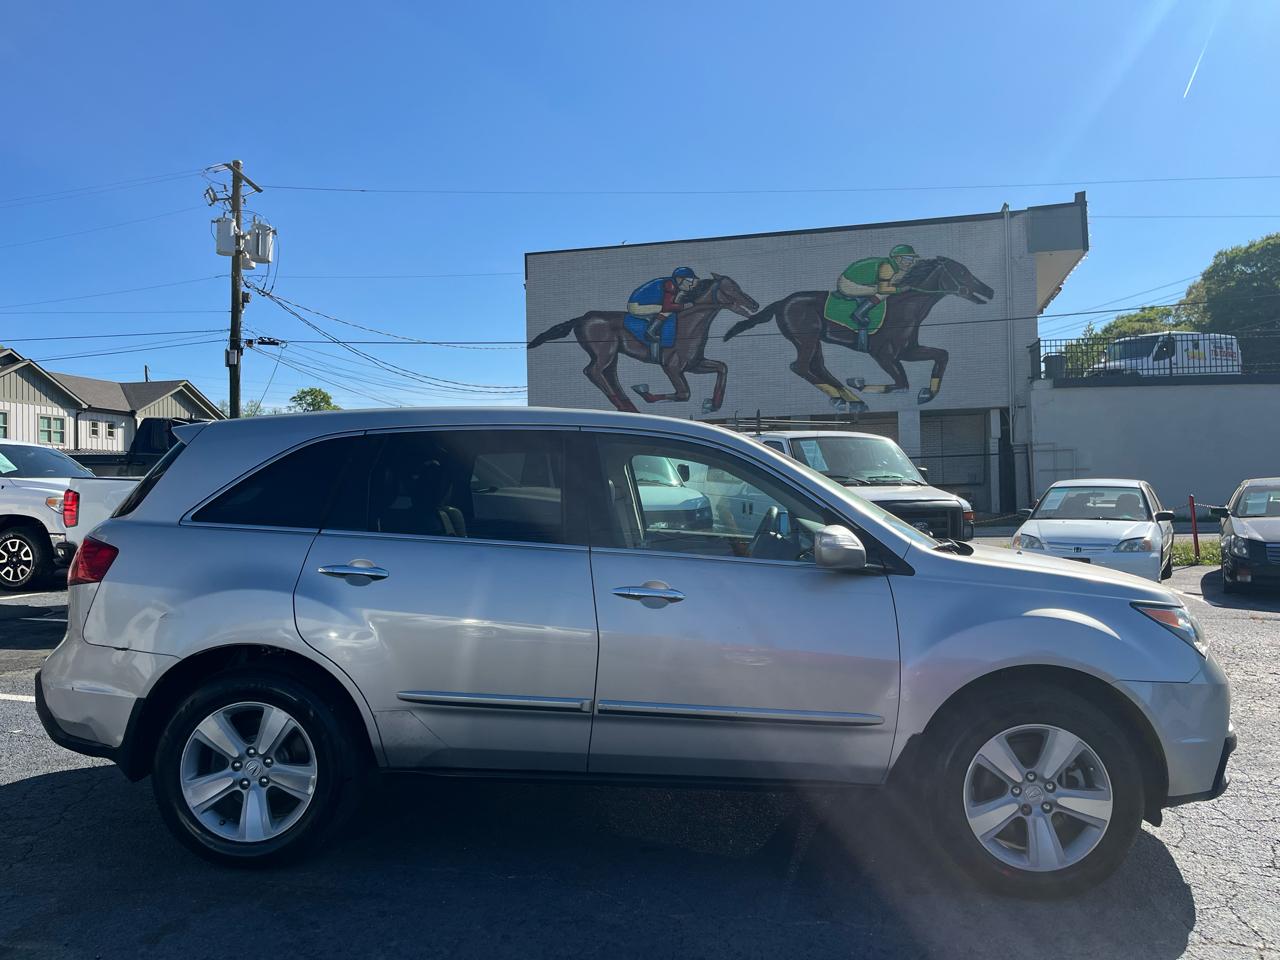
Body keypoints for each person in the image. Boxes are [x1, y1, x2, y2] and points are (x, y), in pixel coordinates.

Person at [828, 244, 920, 350]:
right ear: (898, 258)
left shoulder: (896, 266)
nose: (911, 262)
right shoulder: (887, 267)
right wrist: (900, 290)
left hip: (862, 282)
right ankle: (859, 313)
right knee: (884, 292)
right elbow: (883, 289)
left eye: (912, 259)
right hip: (848, 284)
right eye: (909, 258)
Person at [626, 267, 699, 361]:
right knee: (667, 311)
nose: (691, 285)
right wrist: (684, 306)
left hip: (644, 303)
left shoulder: (673, 284)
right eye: (690, 281)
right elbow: (667, 307)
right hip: (636, 305)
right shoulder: (670, 285)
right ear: (680, 279)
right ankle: (651, 331)